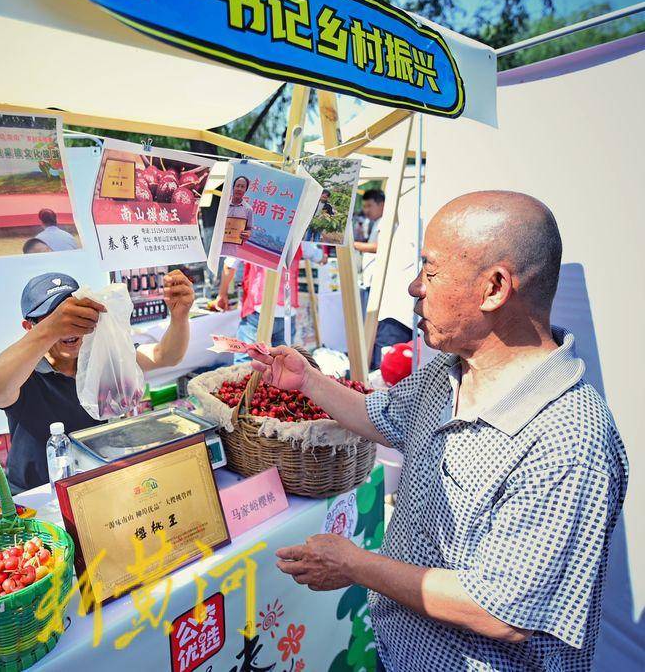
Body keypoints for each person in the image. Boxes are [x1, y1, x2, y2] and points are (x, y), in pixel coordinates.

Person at [251, 191, 627, 672]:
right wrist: (307, 381)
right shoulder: (448, 373)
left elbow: (501, 611)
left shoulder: (569, 437)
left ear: (494, 288)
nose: (413, 288)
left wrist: (356, 565)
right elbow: (381, 416)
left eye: (429, 272)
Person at [0, 269, 195, 492]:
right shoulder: (24, 369)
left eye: (76, 315)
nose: (69, 326)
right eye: (55, 318)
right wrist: (51, 330)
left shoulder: (100, 357)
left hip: (96, 485)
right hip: (36, 497)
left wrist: (179, 317)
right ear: (30, 327)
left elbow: (165, 355)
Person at [215, 251, 302, 362]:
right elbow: (317, 255)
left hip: (259, 310)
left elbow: (229, 265)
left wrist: (222, 294)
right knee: (281, 363)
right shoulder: (298, 235)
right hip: (287, 311)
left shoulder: (252, 234)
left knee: (246, 361)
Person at [354, 189, 384, 288]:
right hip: (370, 278)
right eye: (364, 206)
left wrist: (353, 245)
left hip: (376, 280)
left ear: (382, 204)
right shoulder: (376, 222)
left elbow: (380, 247)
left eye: (369, 206)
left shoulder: (384, 221)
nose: (366, 210)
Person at [221, 175, 254, 258]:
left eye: (242, 187)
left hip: (232, 252)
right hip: (216, 248)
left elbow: (249, 229)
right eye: (237, 186)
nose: (239, 189)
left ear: (245, 190)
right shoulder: (222, 205)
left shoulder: (248, 209)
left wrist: (247, 234)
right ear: (233, 187)